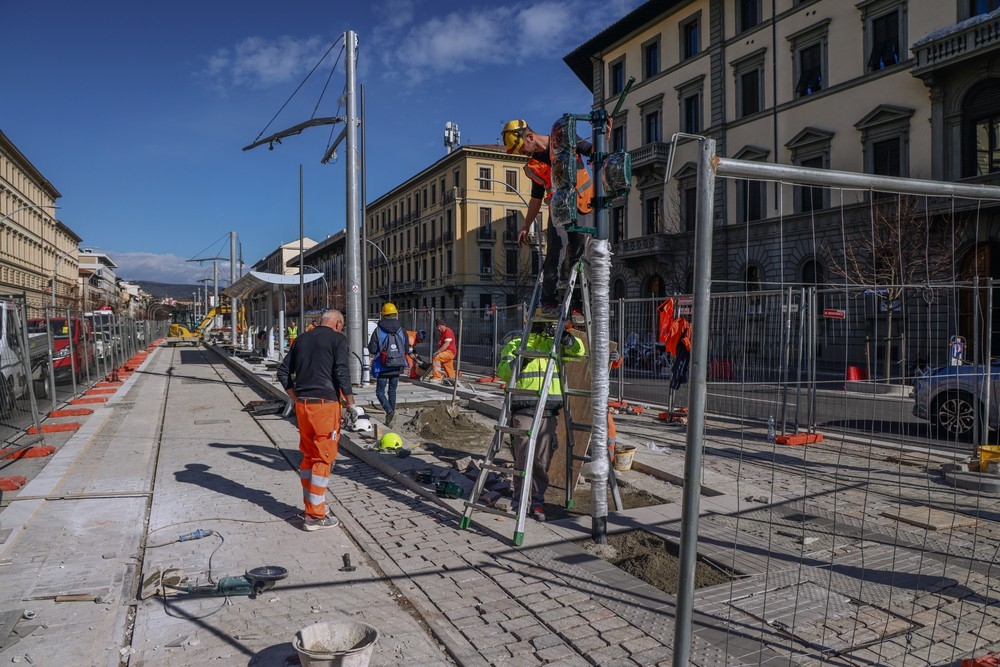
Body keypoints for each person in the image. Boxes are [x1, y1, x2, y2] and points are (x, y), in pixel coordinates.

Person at [502, 118, 603, 318]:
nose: (522, 153)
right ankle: (548, 301)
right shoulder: (533, 165)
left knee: (581, 256)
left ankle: (579, 306)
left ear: (529, 137)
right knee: (554, 253)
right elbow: (536, 199)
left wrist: (604, 138)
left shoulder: (564, 138)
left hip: (583, 204)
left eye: (521, 149)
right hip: (559, 211)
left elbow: (591, 151)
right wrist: (526, 226)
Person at [276, 309, 358, 531]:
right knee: (324, 457)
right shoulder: (338, 339)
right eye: (342, 326)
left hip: (303, 407)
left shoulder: (301, 338)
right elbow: (342, 372)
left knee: (309, 456)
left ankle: (312, 506)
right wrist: (351, 403)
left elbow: (282, 372)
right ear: (338, 323)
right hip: (325, 407)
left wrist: (295, 398)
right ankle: (315, 516)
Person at [496, 322, 585, 521]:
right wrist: (523, 359)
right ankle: (521, 499)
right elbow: (503, 372)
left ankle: (537, 500)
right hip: (524, 408)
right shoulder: (516, 344)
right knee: (523, 455)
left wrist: (566, 337)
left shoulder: (553, 343)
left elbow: (579, 352)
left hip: (548, 409)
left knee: (542, 459)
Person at [367, 302, 406, 426]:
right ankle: (391, 415)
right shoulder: (401, 330)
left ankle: (390, 412)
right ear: (395, 314)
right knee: (392, 391)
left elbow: (372, 349)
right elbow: (405, 348)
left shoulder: (378, 331)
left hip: (383, 366)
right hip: (397, 365)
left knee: (380, 392)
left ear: (383, 315)